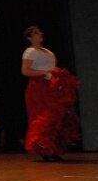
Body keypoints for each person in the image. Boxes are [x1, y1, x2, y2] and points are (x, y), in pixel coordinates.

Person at [21, 26, 80, 161]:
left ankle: (52, 149)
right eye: (36, 33)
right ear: (30, 38)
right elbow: (25, 71)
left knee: (57, 117)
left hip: (51, 87)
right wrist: (45, 73)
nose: (40, 33)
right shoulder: (30, 51)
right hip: (39, 87)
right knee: (45, 117)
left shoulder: (47, 51)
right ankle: (44, 150)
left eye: (39, 31)